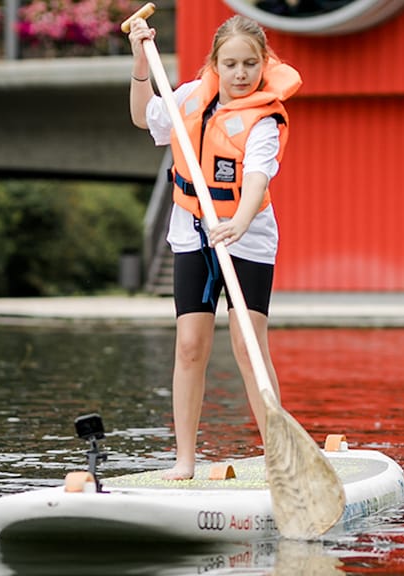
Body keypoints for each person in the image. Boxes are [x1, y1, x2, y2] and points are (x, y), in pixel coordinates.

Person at [127, 14, 302, 479]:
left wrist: (239, 223)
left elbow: (257, 179)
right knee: (189, 345)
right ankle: (185, 459)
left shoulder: (263, 120)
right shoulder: (188, 97)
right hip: (192, 231)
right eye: (231, 64)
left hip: (247, 237)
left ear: (263, 65)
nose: (240, 73)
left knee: (249, 345)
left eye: (249, 63)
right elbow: (141, 116)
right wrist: (140, 62)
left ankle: (277, 458)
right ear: (215, 65)